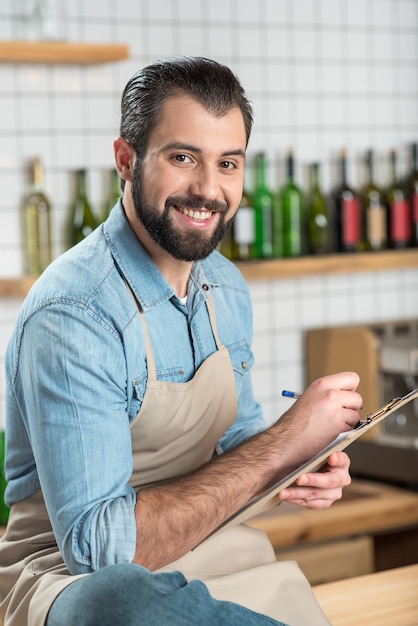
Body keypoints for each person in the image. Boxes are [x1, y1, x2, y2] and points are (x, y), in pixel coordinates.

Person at [0, 56, 363, 626]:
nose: (207, 189)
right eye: (182, 157)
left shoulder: (225, 287)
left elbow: (239, 440)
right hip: (66, 581)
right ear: (126, 159)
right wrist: (282, 442)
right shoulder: (73, 313)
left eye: (228, 163)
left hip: (209, 551)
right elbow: (98, 552)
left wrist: (301, 458)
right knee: (117, 599)